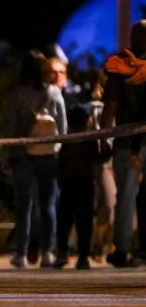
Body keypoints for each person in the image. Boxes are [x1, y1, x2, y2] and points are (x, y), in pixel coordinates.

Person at [1, 50, 67, 269]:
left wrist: (5, 156)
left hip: (22, 155)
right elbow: (63, 126)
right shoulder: (54, 92)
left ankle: (21, 253)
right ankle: (48, 252)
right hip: (48, 155)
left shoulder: (17, 93)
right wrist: (58, 150)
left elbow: (10, 127)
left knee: (23, 206)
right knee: (48, 205)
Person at [101, 21, 146, 267]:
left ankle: (122, 248)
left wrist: (103, 136)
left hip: (127, 141)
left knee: (126, 197)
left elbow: (111, 103)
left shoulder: (121, 64)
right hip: (133, 140)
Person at [53, 104, 106, 270]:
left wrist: (60, 179)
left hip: (68, 184)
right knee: (84, 222)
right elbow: (96, 158)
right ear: (87, 121)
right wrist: (108, 152)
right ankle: (83, 256)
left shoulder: (67, 139)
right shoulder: (89, 139)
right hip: (85, 184)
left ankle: (63, 252)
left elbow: (60, 162)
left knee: (65, 220)